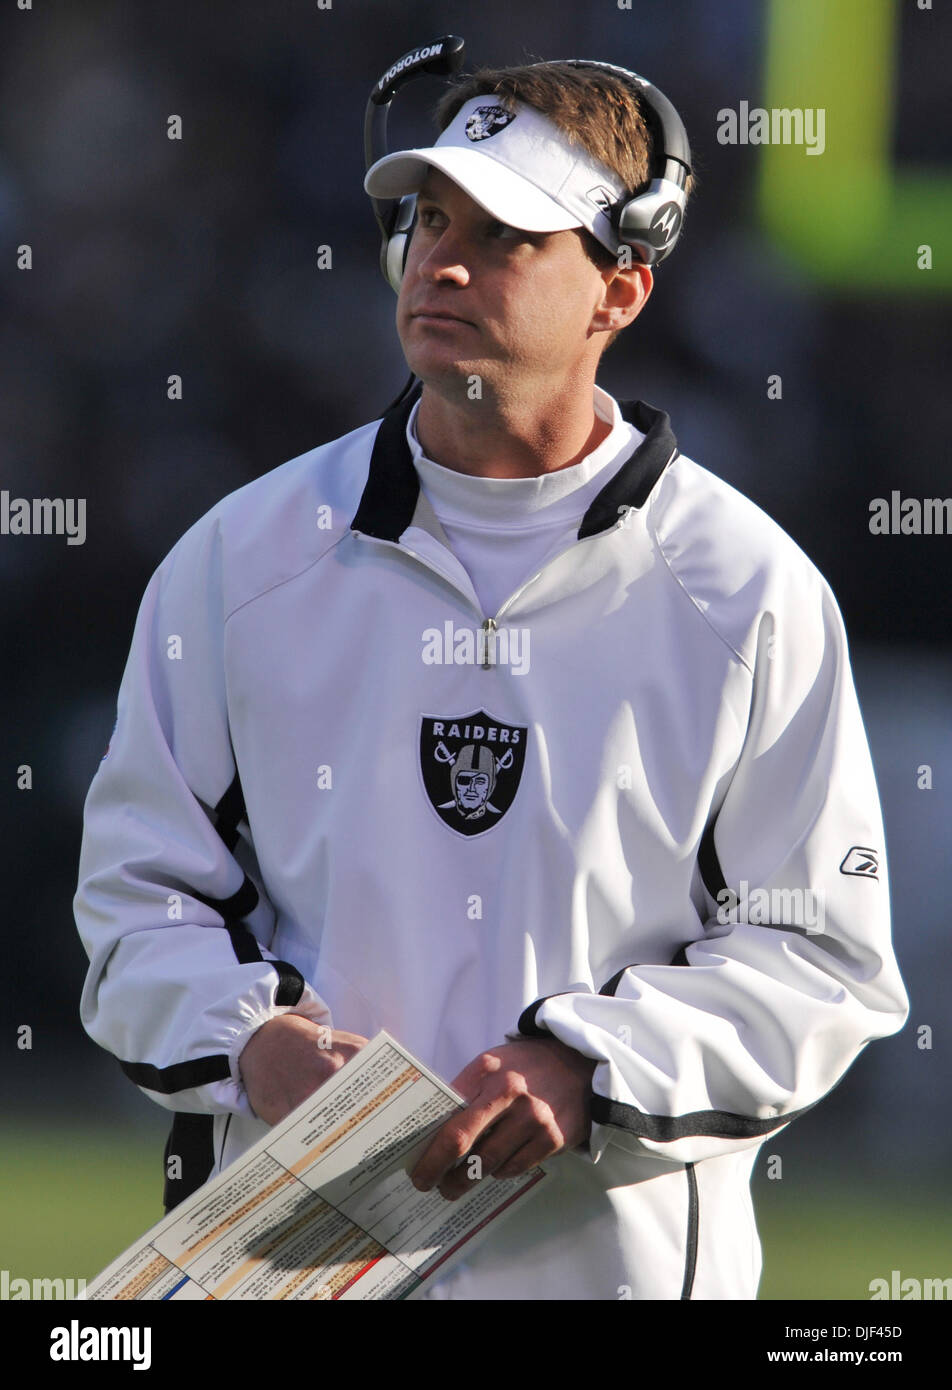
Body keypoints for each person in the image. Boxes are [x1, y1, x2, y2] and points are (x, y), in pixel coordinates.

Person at [74, 58, 909, 1300]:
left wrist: (593, 1066)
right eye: (430, 220)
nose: (443, 262)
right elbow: (136, 900)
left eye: (507, 234)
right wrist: (250, 1045)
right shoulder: (235, 561)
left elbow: (824, 965)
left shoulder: (750, 594)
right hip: (287, 1270)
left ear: (618, 290)